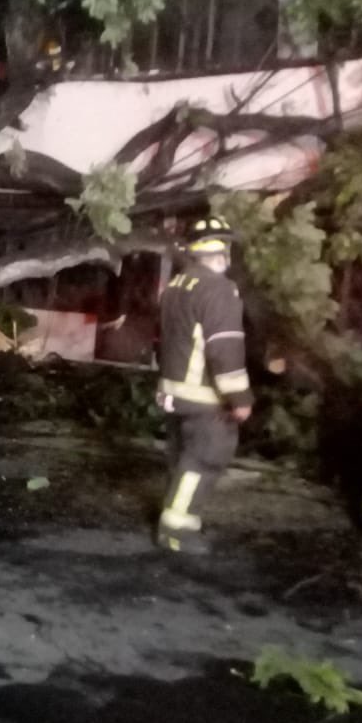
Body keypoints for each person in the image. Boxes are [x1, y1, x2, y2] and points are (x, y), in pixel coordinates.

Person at [155, 216, 254, 554]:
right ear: (223, 251)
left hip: (173, 392)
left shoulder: (177, 285)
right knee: (203, 461)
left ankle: (185, 521)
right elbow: (225, 349)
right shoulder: (219, 289)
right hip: (203, 398)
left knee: (183, 461)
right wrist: (239, 398)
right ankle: (176, 532)